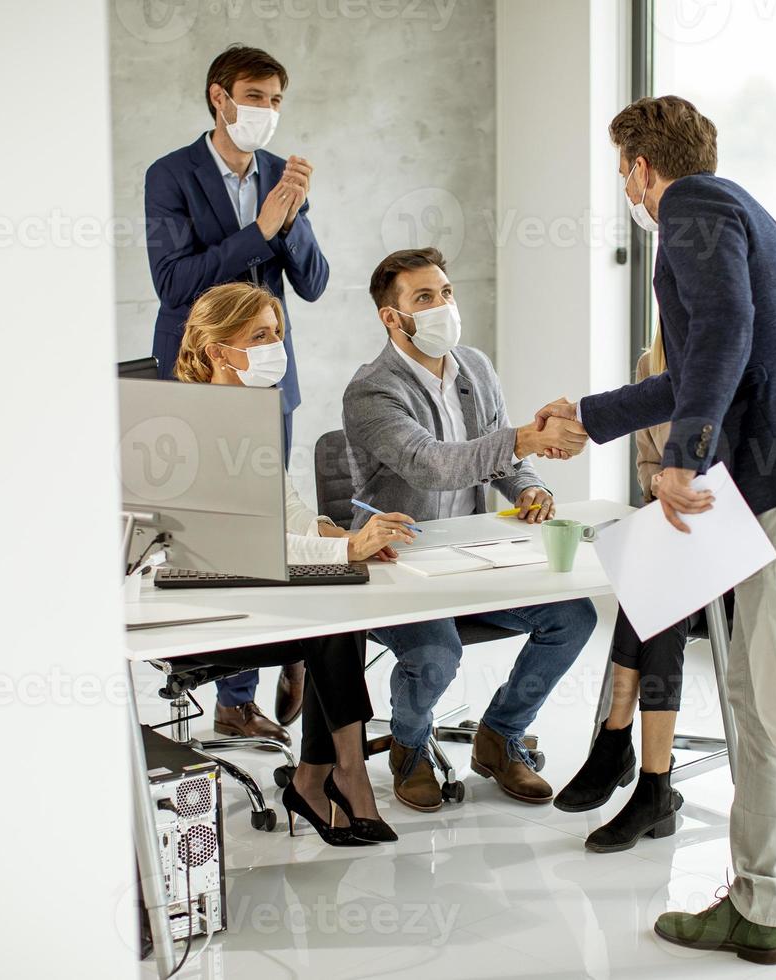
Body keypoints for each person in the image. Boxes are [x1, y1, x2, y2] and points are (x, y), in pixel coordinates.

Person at [537, 97, 776, 978]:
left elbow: (723, 342)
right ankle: (756, 906)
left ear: (640, 167)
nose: (626, 188)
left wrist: (681, 457)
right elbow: (708, 363)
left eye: (621, 172)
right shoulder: (732, 206)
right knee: (751, 697)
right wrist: (588, 418)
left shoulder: (694, 208)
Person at [341, 247, 597, 813]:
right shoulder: (370, 391)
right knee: (436, 655)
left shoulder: (475, 367)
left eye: (447, 293)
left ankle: (501, 733)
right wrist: (525, 440)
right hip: (401, 566)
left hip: (472, 555)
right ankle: (408, 748)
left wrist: (530, 487)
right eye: (425, 298)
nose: (443, 306)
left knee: (574, 617)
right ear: (392, 317)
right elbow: (432, 463)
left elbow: (497, 455)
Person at [173, 281, 414, 845]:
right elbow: (241, 547)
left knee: (340, 605)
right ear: (217, 350)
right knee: (333, 608)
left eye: (277, 333)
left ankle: (319, 777)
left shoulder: (253, 412)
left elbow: (285, 511)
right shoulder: (187, 428)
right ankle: (339, 777)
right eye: (260, 335)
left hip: (255, 591)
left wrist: (339, 534)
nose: (275, 346)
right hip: (205, 609)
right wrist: (341, 551)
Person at [144, 44, 330, 730]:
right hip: (198, 375)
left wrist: (296, 215)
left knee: (271, 521)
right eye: (256, 96)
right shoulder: (170, 175)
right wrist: (262, 229)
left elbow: (312, 283)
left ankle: (291, 650)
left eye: (277, 100)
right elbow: (174, 283)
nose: (268, 111)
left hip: (268, 379)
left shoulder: (283, 174)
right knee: (215, 533)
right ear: (219, 97)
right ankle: (233, 695)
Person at [553, 323, 702, 853]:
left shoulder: (732, 360)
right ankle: (646, 776)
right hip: (674, 543)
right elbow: (648, 464)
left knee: (658, 591)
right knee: (652, 581)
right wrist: (660, 481)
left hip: (733, 549)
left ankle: (620, 746)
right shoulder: (651, 365)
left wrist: (684, 483)